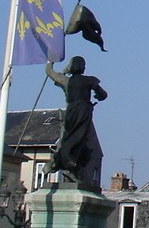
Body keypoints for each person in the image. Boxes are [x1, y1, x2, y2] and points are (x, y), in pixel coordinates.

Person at [45, 56, 108, 185]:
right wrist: (97, 95)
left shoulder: (66, 80)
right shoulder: (89, 80)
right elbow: (103, 95)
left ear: (70, 67)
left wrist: (51, 62)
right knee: (80, 139)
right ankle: (68, 163)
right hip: (84, 112)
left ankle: (65, 163)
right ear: (83, 68)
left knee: (69, 137)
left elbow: (49, 72)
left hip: (71, 112)